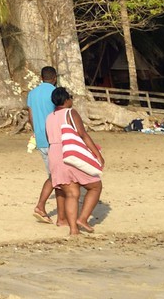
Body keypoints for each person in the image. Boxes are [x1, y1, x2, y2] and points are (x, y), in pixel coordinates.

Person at [45, 86, 104, 236]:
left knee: (71, 192)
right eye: (70, 97)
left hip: (54, 153)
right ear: (66, 100)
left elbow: (48, 138)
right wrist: (97, 154)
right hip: (69, 152)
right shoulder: (70, 112)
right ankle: (82, 219)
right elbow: (82, 134)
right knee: (95, 186)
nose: (72, 100)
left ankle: (73, 230)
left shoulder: (50, 117)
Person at [27, 66, 59, 224]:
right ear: (54, 78)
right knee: (56, 176)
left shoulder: (32, 94)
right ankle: (41, 206)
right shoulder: (55, 93)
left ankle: (63, 217)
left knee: (54, 175)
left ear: (41, 77)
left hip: (40, 139)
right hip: (55, 139)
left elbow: (31, 117)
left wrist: (37, 133)